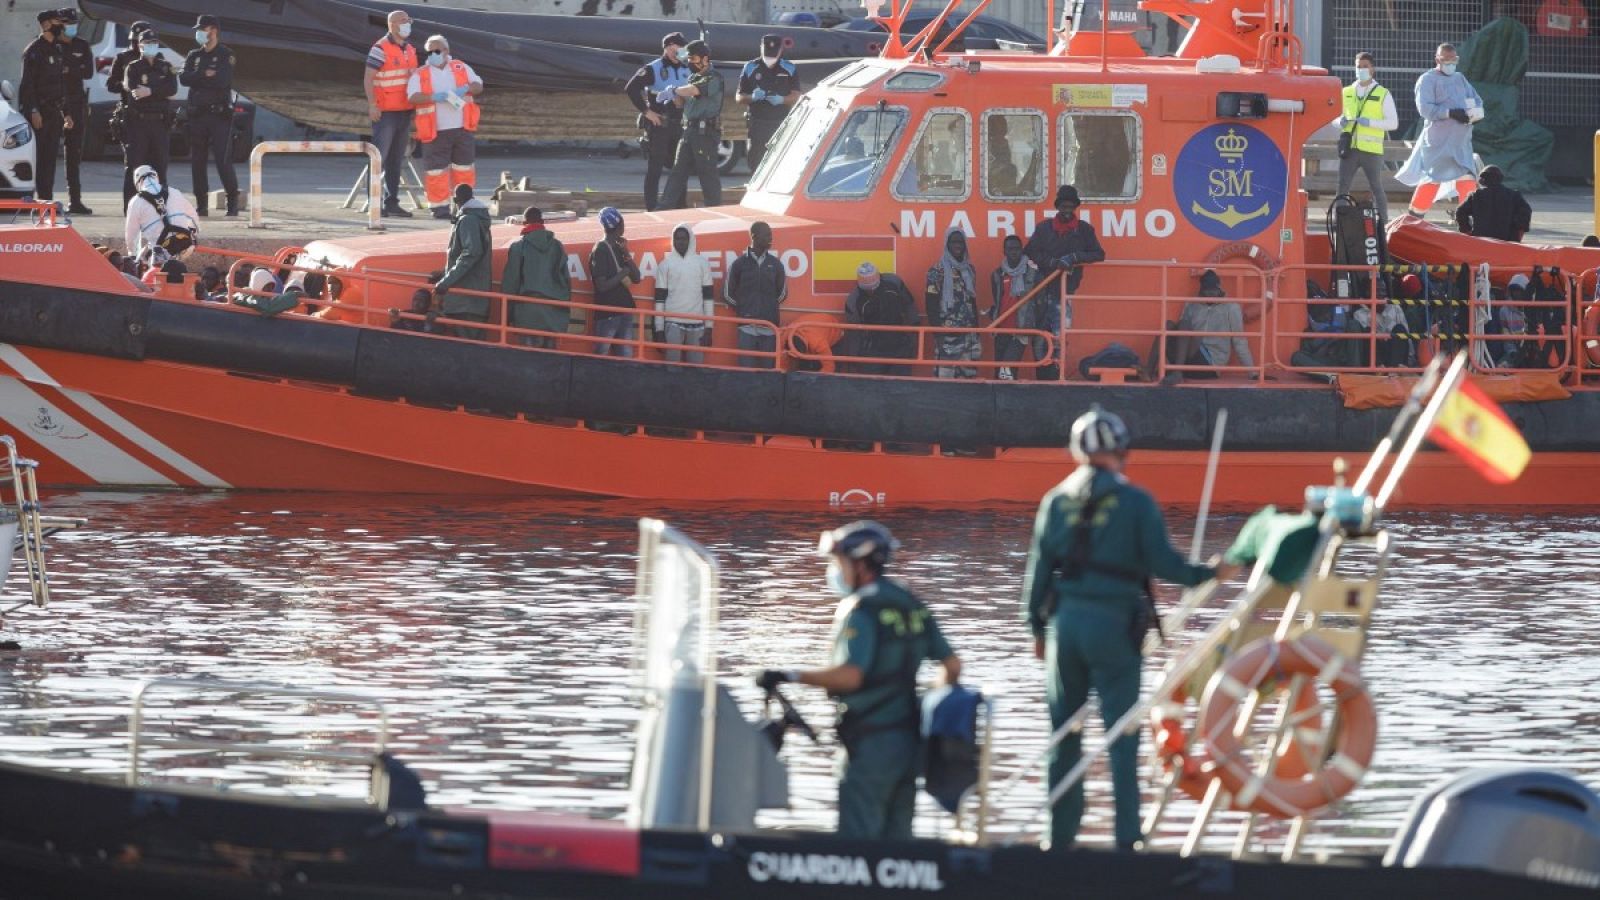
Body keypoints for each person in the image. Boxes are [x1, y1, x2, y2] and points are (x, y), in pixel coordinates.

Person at [1021, 407, 1238, 851]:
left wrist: (1037, 631)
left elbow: (1037, 574)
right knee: (1120, 735)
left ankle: (1056, 841)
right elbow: (1164, 563)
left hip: (1066, 628)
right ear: (1122, 451)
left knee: (1063, 735)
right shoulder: (1136, 502)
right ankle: (1126, 841)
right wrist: (1209, 574)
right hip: (1115, 627)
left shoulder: (1054, 500)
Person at [755, 521, 961, 840]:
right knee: (899, 846)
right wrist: (926, 702)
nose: (834, 570)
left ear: (861, 563)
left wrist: (790, 675)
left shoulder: (860, 610)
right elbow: (952, 665)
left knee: (859, 844)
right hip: (909, 744)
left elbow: (850, 676)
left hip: (869, 746)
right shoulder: (910, 604)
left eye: (838, 561)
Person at [1024, 185, 1104, 380]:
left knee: (1060, 338)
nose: (1067, 211)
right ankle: (1042, 377)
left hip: (1065, 293)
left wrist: (1075, 257)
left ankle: (1057, 375)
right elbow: (1031, 251)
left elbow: (1099, 254)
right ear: (1058, 207)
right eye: (1064, 206)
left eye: (1071, 207)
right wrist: (1052, 262)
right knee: (1040, 338)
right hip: (1042, 292)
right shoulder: (1044, 228)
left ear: (1075, 207)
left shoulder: (1084, 230)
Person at [1396, 43, 1483, 219]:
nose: (1451, 64)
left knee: (1467, 178)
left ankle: (1470, 221)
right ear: (1437, 60)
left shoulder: (1460, 78)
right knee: (1432, 180)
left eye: (1454, 60)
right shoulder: (1427, 80)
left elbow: (1475, 100)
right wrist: (1450, 113)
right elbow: (1425, 109)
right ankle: (1413, 219)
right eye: (1446, 60)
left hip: (1460, 144)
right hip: (1438, 144)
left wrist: (1473, 114)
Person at [407, 35, 482, 220]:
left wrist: (464, 89)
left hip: (462, 128)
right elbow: (412, 96)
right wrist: (434, 97)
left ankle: (465, 204)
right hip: (435, 131)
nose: (433, 54)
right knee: (436, 171)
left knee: (464, 168)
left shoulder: (460, 67)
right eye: (430, 51)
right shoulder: (421, 73)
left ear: (447, 50)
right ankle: (440, 207)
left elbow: (478, 85)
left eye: (437, 50)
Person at [179, 16, 239, 217]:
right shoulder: (193, 55)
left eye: (202, 29)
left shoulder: (225, 54)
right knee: (198, 161)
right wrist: (205, 74)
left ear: (213, 31)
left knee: (223, 160)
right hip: (197, 116)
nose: (199, 33)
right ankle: (201, 204)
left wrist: (199, 76)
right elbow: (184, 78)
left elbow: (222, 80)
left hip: (219, 116)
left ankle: (232, 202)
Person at [1154, 269, 1257, 384]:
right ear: (1201, 289)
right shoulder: (1192, 304)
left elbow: (1239, 341)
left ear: (1219, 288)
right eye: (1207, 290)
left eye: (1213, 290)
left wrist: (1253, 373)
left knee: (1185, 324)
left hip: (1210, 364)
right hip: (1187, 360)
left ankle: (1177, 373)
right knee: (1169, 325)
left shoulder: (1231, 307)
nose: (1210, 294)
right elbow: (1181, 335)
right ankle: (1148, 371)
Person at [625, 33, 691, 212]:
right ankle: (652, 208)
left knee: (680, 168)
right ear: (667, 48)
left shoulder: (687, 68)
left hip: (680, 124)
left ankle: (680, 205)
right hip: (660, 124)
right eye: (675, 48)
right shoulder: (654, 68)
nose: (678, 52)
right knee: (655, 169)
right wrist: (647, 112)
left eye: (681, 49)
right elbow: (631, 88)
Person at [118, 30, 178, 215]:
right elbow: (134, 92)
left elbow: (172, 88)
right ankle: (130, 208)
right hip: (139, 124)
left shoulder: (165, 67)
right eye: (147, 43)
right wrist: (157, 92)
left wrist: (151, 91)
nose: (151, 46)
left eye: (154, 42)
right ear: (140, 45)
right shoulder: (133, 67)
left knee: (160, 166)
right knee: (135, 166)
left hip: (160, 124)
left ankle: (160, 206)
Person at [1334, 51, 1398, 223]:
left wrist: (1370, 123)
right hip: (1350, 149)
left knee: (1376, 188)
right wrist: (1339, 121)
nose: (1361, 70)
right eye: (1358, 67)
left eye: (1365, 67)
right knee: (1342, 187)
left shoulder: (1383, 93)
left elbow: (1393, 123)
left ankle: (1384, 224)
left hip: (1372, 150)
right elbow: (1333, 118)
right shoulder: (1346, 92)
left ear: (1372, 69)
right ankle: (1339, 223)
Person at [365, 10, 417, 218]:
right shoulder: (380, 48)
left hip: (404, 112)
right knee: (379, 158)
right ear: (393, 25)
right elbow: (369, 78)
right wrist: (372, 105)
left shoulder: (410, 49)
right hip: (385, 112)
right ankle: (374, 203)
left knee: (396, 160)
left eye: (409, 21)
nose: (408, 24)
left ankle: (392, 202)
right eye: (405, 21)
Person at [661, 40, 724, 210]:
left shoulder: (713, 77)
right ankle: (665, 208)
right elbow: (681, 104)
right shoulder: (693, 77)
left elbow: (695, 90)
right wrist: (672, 95)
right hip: (689, 130)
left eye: (694, 58)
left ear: (705, 59)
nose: (690, 62)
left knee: (707, 174)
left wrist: (675, 90)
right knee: (677, 172)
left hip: (705, 133)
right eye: (688, 59)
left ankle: (715, 210)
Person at [18, 10, 71, 207]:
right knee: (38, 160)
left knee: (49, 160)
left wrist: (66, 112)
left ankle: (46, 202)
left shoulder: (56, 50)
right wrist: (33, 110)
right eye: (58, 21)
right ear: (47, 24)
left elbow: (61, 85)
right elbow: (27, 85)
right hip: (39, 113)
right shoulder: (34, 50)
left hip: (54, 113)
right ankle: (33, 202)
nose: (61, 25)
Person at [501, 207, 572, 348]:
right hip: (553, 315)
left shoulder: (518, 247)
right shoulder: (558, 246)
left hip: (527, 314)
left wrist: (507, 315)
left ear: (524, 223)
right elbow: (566, 282)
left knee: (529, 362)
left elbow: (510, 284)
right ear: (542, 222)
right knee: (550, 364)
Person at [432, 184, 493, 339]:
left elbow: (470, 254)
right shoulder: (477, 219)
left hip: (465, 301)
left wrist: (445, 282)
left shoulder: (467, 220)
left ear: (455, 199)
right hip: (471, 300)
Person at [724, 221, 787, 367]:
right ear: (754, 236)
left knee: (769, 375)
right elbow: (727, 293)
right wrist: (744, 310)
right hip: (746, 328)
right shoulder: (739, 264)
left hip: (770, 329)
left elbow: (783, 293)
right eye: (767, 234)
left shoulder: (776, 264)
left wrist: (768, 308)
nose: (771, 238)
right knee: (745, 375)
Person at [735, 34, 801, 174]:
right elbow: (739, 97)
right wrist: (752, 97)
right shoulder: (750, 67)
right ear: (761, 48)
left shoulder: (788, 68)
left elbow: (796, 95)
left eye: (773, 55)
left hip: (780, 122)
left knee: (780, 161)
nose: (770, 58)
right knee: (755, 160)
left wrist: (782, 99)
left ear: (780, 51)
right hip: (757, 122)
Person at [652, 224, 715, 363]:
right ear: (673, 240)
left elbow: (708, 298)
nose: (680, 242)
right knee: (672, 368)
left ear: (690, 239)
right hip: (672, 323)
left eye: (684, 238)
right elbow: (659, 300)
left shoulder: (702, 263)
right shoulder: (665, 264)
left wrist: (709, 329)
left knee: (696, 368)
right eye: (677, 238)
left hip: (698, 323)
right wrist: (659, 330)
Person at [107, 21, 153, 208]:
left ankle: (150, 204)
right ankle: (130, 206)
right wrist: (128, 86)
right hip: (130, 114)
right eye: (135, 41)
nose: (137, 45)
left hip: (151, 115)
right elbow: (111, 84)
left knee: (152, 164)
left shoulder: (154, 59)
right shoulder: (123, 58)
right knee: (133, 163)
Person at [844, 262, 919, 375]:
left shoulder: (894, 282)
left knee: (901, 385)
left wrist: (914, 336)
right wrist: (854, 356)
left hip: (900, 344)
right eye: (868, 289)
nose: (872, 291)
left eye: (874, 287)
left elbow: (910, 306)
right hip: (872, 350)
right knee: (871, 387)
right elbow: (853, 331)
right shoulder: (853, 301)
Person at [925, 227, 981, 379]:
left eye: (961, 242)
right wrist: (938, 334)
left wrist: (977, 330)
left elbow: (972, 300)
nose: (958, 245)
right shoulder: (937, 270)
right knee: (945, 377)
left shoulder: (970, 270)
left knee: (969, 377)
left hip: (969, 334)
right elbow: (931, 304)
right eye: (954, 242)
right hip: (947, 333)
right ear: (947, 244)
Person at [55, 8, 94, 214]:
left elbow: (88, 72)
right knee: (46, 153)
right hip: (53, 104)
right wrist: (73, 67)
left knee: (73, 154)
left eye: (74, 23)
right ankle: (43, 200)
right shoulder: (52, 46)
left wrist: (69, 68)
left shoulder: (82, 45)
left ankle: (75, 200)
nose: (72, 27)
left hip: (77, 103)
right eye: (68, 23)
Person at [590, 206, 642, 357]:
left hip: (624, 311)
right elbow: (602, 286)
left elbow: (637, 278)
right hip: (608, 313)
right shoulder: (600, 250)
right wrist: (624, 272)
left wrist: (626, 253)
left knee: (625, 356)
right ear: (620, 225)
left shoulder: (620, 247)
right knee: (603, 355)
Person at [991, 234, 1044, 381]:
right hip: (1001, 329)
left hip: (1020, 331)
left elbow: (1040, 304)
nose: (1013, 252)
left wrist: (1030, 322)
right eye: (1010, 249)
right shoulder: (997, 274)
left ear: (1022, 250)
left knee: (1006, 372)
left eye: (1016, 248)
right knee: (998, 373)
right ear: (1004, 251)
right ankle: (998, 403)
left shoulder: (1033, 274)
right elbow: (997, 299)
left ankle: (1008, 402)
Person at [124, 165, 198, 263]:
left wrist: (132, 254)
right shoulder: (174, 192)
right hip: (185, 243)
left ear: (137, 183)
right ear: (156, 177)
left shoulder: (136, 201)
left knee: (144, 259)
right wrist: (194, 236)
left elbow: (131, 234)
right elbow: (193, 217)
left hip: (160, 252)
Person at [1454, 165, 1531, 242]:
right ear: (1500, 179)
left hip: (1481, 242)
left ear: (1483, 180)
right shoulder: (1514, 195)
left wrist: (1466, 231)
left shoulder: (1476, 196)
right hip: (1508, 242)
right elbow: (1526, 211)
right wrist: (1519, 233)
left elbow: (1460, 211)